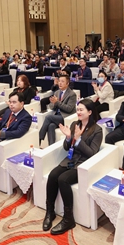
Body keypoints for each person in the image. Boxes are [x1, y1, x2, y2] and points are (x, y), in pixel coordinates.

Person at [43, 99, 102, 235]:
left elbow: (92, 153)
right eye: (78, 110)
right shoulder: (75, 124)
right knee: (53, 175)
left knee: (63, 179)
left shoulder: (97, 130)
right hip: (70, 160)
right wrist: (69, 138)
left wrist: (79, 140)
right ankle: (50, 211)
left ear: (90, 112)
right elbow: (66, 147)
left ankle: (68, 218)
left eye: (81, 110)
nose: (78, 112)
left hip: (83, 164)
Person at [39, 75, 77, 146]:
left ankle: (40, 138)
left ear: (67, 83)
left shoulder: (72, 94)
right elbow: (51, 107)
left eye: (62, 81)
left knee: (48, 117)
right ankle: (51, 146)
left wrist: (57, 102)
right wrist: (53, 103)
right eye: (59, 81)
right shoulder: (57, 92)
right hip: (57, 116)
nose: (60, 83)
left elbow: (69, 109)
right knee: (51, 126)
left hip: (65, 116)